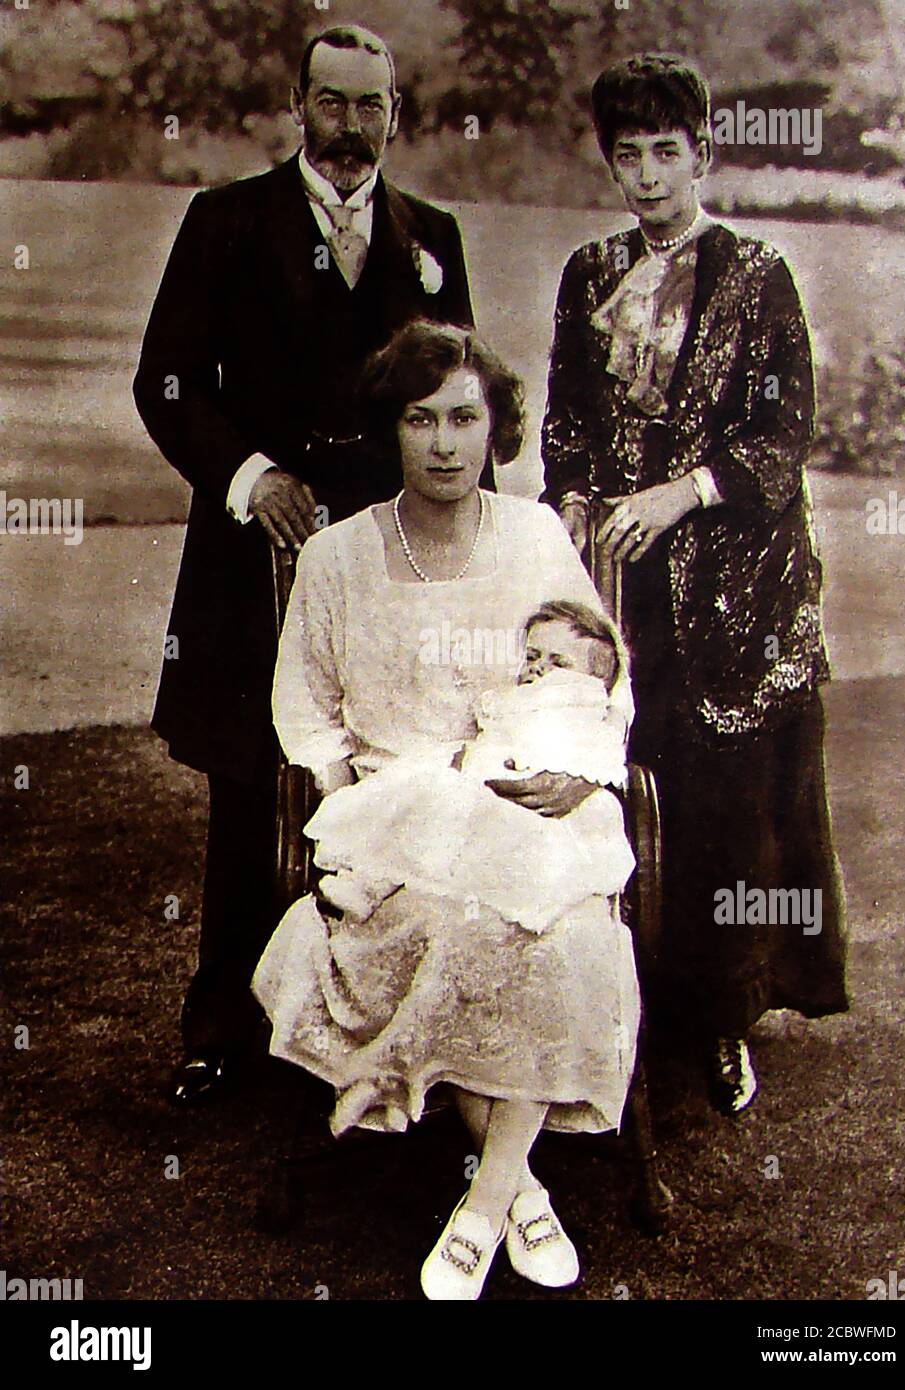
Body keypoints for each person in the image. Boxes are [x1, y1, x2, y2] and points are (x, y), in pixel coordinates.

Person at [253, 321, 641, 1299]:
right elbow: (304, 708)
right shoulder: (338, 558)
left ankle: (488, 1194)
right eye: (419, 418)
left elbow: (607, 681)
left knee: (556, 929)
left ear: (493, 427)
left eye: (463, 417)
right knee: (455, 926)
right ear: (390, 429)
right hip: (404, 816)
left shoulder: (538, 538)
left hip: (528, 800)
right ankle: (516, 1188)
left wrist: (583, 771)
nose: (442, 443)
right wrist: (348, 817)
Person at [132, 25, 474, 1105]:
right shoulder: (225, 222)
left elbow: (461, 404)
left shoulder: (433, 237)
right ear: (297, 104)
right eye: (330, 102)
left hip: (390, 562)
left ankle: (384, 1034)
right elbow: (170, 382)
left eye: (370, 106)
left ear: (397, 114)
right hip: (253, 562)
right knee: (253, 791)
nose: (349, 126)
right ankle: (222, 1030)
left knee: (388, 774)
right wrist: (251, 477)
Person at [541, 53, 848, 1117]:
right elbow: (566, 418)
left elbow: (780, 435)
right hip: (620, 584)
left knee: (722, 805)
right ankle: (613, 1003)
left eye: (665, 153)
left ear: (702, 153)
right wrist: (575, 498)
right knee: (613, 782)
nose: (645, 176)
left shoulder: (758, 276)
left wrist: (676, 495)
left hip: (734, 586)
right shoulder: (588, 273)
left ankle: (721, 1022)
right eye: (626, 155)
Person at [299, 599, 635, 935]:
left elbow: (605, 761)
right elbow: (489, 743)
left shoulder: (589, 719)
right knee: (424, 807)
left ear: (595, 685)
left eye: (559, 664)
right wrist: (469, 760)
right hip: (488, 800)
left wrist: (572, 770)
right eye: (532, 656)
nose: (538, 669)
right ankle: (363, 886)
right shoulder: (512, 703)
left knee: (451, 818)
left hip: (545, 822)